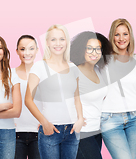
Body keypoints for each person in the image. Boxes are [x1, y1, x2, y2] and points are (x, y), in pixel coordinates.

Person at [25, 24, 85, 159]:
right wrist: (45, 123)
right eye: (53, 39)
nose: (58, 43)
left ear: (67, 41)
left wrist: (80, 119)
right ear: (47, 42)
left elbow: (77, 98)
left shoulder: (73, 67)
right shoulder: (39, 67)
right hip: (50, 130)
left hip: (72, 131)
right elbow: (28, 99)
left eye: (62, 39)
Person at [100, 18, 136, 159]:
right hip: (110, 118)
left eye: (125, 34)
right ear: (112, 37)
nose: (121, 38)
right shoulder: (103, 59)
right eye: (117, 34)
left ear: (130, 36)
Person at [70, 31, 111, 159]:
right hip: (80, 133)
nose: (94, 53)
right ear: (82, 50)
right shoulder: (73, 70)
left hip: (97, 130)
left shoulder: (99, 71)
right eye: (90, 49)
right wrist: (73, 118)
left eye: (98, 49)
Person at [13, 35, 41, 159]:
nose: (27, 53)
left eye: (31, 48)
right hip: (15, 134)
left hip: (40, 133)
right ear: (17, 51)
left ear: (37, 50)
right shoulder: (10, 73)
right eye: (22, 49)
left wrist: (47, 121)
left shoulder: (44, 74)